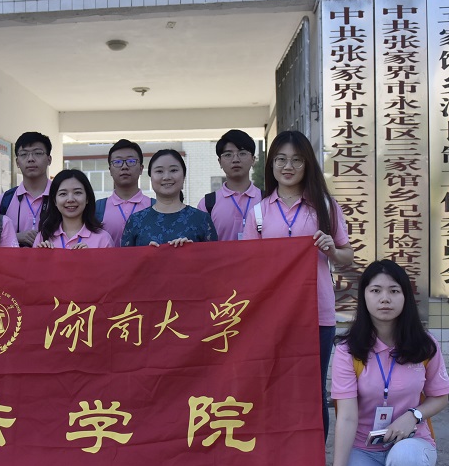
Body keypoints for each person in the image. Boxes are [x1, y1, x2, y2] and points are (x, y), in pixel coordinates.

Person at [325, 260, 449, 466]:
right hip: (364, 448)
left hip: (411, 442)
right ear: (364, 297)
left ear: (405, 296)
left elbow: (440, 397)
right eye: (376, 291)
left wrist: (414, 416)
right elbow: (346, 417)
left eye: (394, 291)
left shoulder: (425, 345)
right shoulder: (347, 350)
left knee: (406, 457)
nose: (385, 298)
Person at [241, 130, 353, 439]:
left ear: (307, 164)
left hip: (317, 314)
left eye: (296, 160)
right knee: (273, 389)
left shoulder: (325, 206)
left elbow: (347, 256)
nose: (288, 167)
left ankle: (313, 461)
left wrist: (332, 249)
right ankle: (279, 458)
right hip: (272, 318)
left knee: (312, 391)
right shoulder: (259, 212)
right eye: (280, 159)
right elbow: (248, 266)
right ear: (271, 164)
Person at [121, 149, 218, 247]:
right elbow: (125, 256)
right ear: (151, 178)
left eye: (173, 170)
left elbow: (214, 255)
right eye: (159, 171)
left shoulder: (202, 219)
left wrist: (191, 250)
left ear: (184, 176)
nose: (166, 177)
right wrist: (146, 253)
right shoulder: (135, 221)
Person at [197, 129, 262, 241]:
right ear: (220, 162)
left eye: (242, 153)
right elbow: (199, 243)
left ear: (253, 159)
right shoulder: (207, 204)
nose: (235, 159)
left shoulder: (266, 200)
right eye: (228, 155)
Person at [0, 131, 52, 247]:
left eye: (38, 153)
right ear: (17, 162)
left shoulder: (61, 197)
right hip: (14, 259)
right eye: (24, 154)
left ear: (49, 159)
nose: (30, 159)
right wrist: (16, 237)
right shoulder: (4, 200)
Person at [34, 169, 114, 249]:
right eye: (63, 194)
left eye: (77, 193)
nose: (70, 199)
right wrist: (42, 254)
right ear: (54, 201)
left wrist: (90, 256)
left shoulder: (103, 239)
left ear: (87, 198)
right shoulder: (43, 237)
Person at [95, 139, 154, 246]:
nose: (124, 167)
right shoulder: (97, 209)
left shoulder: (155, 206)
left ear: (141, 169)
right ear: (110, 170)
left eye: (131, 161)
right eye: (117, 162)